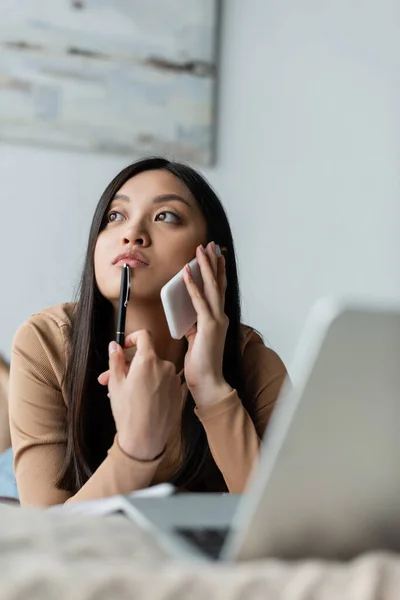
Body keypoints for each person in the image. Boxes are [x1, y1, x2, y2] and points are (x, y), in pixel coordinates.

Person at [8, 157, 287, 506]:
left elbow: (282, 520)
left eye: (166, 216)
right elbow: (48, 532)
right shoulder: (47, 342)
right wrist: (136, 449)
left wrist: (210, 387)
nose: (132, 233)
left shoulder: (253, 361)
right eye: (115, 216)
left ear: (213, 256)